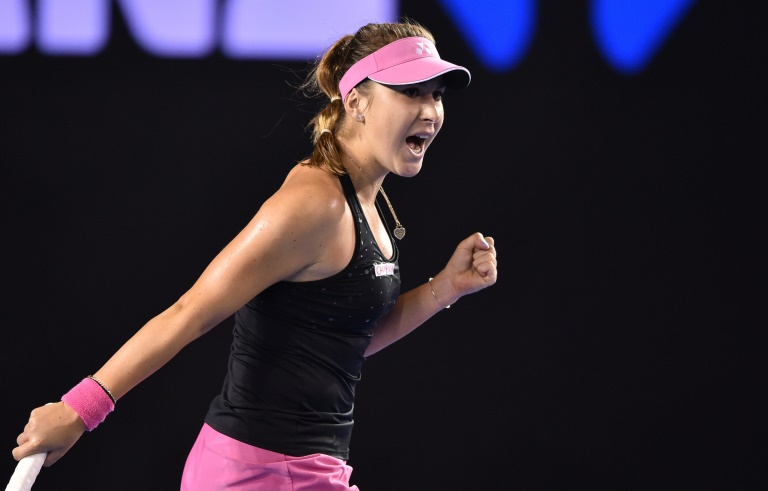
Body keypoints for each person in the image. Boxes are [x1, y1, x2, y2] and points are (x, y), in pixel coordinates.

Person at [11, 19, 497, 490]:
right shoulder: (315, 203)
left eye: (436, 93)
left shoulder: (368, 199)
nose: (431, 109)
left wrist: (445, 288)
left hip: (298, 470)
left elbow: (347, 341)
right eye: (411, 92)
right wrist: (79, 409)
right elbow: (190, 313)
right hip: (257, 475)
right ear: (356, 102)